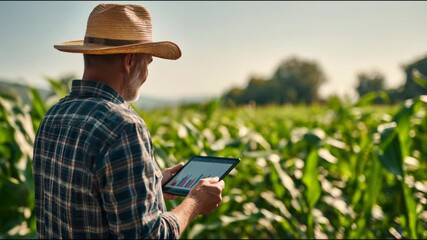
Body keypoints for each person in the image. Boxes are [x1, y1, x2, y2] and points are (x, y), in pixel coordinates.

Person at [32, 3, 225, 239]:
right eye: (148, 62)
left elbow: (85, 200)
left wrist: (153, 183)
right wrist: (195, 202)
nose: (146, 73)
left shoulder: (53, 116)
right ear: (130, 60)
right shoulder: (123, 127)